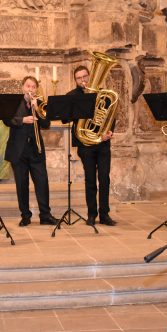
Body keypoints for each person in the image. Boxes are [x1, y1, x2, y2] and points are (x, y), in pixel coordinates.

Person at [4, 76, 58, 227]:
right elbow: (7, 120)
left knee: (42, 182)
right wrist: (22, 120)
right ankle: (25, 216)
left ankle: (45, 215)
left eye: (33, 87)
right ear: (22, 87)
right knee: (22, 184)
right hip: (19, 150)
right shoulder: (14, 102)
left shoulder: (40, 104)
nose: (31, 89)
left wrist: (36, 110)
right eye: (28, 86)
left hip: (36, 149)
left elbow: (46, 124)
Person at [66, 65, 117, 227]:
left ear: (90, 76)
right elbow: (65, 118)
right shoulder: (72, 96)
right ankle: (91, 214)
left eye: (85, 76)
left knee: (104, 179)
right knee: (90, 180)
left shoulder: (103, 94)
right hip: (85, 144)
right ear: (75, 80)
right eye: (79, 78)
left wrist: (108, 132)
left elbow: (110, 116)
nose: (83, 80)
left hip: (102, 143)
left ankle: (104, 214)